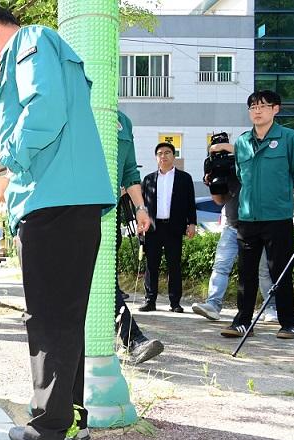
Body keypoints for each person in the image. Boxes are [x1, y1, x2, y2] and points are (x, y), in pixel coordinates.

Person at [0, 3, 115, 440]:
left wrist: (4, 168)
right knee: (60, 318)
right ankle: (60, 426)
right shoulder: (38, 49)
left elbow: (44, 109)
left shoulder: (30, 42)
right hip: (61, 201)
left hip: (56, 203)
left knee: (48, 321)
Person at [210, 90, 294, 339]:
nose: (257, 111)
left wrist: (280, 194)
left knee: (279, 270)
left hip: (277, 217)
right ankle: (242, 322)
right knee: (246, 272)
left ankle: (289, 322)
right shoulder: (241, 142)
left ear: (276, 109)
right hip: (247, 218)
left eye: (263, 106)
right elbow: (240, 174)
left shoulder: (290, 138)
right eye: (252, 107)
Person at [191, 144, 278, 323]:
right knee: (221, 266)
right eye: (215, 154)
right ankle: (213, 305)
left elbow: (257, 156)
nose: (221, 157)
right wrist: (213, 184)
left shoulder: (248, 162)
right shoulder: (222, 172)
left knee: (263, 270)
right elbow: (219, 201)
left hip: (257, 224)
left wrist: (227, 148)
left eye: (223, 153)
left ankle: (271, 308)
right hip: (232, 225)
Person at [114, 111, 164, 363]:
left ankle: (130, 339)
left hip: (109, 211)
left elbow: (130, 171)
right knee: (94, 280)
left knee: (104, 280)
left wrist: (140, 208)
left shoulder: (123, 122)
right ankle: (132, 339)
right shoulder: (73, 104)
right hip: (76, 210)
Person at [138, 142, 196, 313]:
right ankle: (150, 300)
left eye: (167, 152)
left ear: (174, 156)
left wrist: (191, 223)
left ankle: (175, 302)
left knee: (174, 265)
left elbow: (190, 203)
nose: (163, 156)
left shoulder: (184, 178)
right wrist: (140, 224)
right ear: (156, 157)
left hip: (174, 227)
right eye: (160, 153)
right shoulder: (148, 179)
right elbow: (142, 205)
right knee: (151, 265)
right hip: (153, 228)